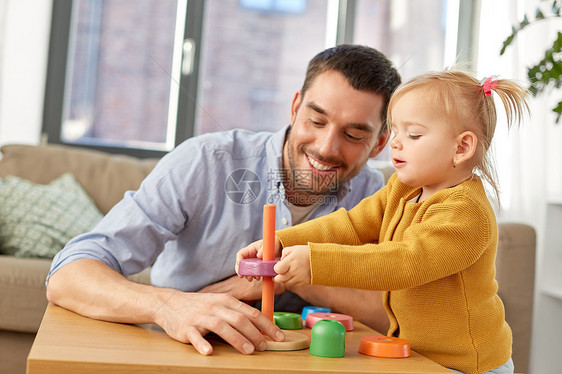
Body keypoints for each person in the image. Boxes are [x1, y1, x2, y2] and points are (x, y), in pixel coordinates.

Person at [46, 44, 401, 356]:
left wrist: (299, 274)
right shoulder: (207, 162)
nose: (326, 148)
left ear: (380, 144)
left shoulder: (379, 197)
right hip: (188, 356)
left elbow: (403, 315)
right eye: (316, 120)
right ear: (295, 108)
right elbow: (68, 275)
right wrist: (170, 307)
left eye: (353, 134)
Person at [237, 70, 529, 373]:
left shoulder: (466, 213)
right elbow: (350, 224)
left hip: (465, 365)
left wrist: (317, 263)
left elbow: (404, 263)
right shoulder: (403, 189)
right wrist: (285, 240)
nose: (396, 143)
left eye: (413, 135)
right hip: (415, 354)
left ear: (461, 148)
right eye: (396, 132)